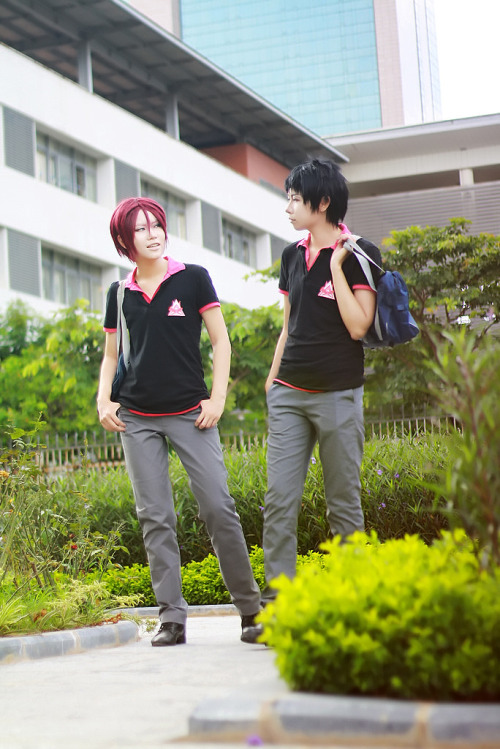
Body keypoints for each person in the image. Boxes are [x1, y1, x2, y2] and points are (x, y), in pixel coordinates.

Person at [97, 197, 262, 646]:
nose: (153, 233)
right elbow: (111, 355)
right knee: (156, 517)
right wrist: (103, 400)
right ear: (125, 240)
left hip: (193, 413)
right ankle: (172, 617)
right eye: (141, 229)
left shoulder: (192, 279)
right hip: (137, 418)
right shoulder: (118, 293)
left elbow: (220, 342)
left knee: (219, 508)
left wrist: (217, 398)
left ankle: (250, 611)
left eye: (157, 225)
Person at [261, 159, 382, 605]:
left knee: (344, 505)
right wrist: (273, 381)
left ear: (324, 202)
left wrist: (336, 266)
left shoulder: (361, 252)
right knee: (278, 503)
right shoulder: (292, 254)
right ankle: (279, 605)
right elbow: (289, 324)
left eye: (296, 198)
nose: (289, 207)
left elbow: (358, 326)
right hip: (290, 393)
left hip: (338, 394)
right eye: (288, 198)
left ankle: (353, 601)